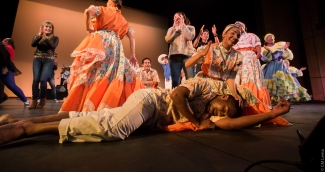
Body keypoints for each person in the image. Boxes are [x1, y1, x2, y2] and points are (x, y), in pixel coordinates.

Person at [0, 83, 291, 145]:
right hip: (151, 101)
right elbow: (176, 95)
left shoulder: (216, 117)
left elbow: (234, 124)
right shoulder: (207, 85)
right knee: (113, 128)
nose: (218, 112)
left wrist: (269, 115)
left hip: (151, 118)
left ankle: (20, 120)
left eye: (221, 113)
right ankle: (26, 131)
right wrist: (194, 120)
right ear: (225, 96)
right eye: (223, 107)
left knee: (87, 118)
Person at [185, 24, 289, 125]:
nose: (235, 37)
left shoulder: (237, 56)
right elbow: (187, 64)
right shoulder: (211, 48)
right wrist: (201, 54)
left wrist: (234, 93)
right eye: (233, 33)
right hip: (206, 82)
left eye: (238, 36)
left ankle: (266, 114)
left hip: (222, 85)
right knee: (195, 100)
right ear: (224, 34)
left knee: (245, 92)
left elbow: (231, 77)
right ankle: (195, 118)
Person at [60, 0, 143, 112]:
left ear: (111, 2)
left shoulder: (103, 9)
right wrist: (132, 55)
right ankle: (106, 102)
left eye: (108, 1)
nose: (106, 2)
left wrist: (88, 28)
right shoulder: (124, 20)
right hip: (116, 46)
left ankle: (89, 103)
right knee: (111, 73)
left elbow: (87, 11)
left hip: (101, 42)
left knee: (95, 72)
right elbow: (132, 36)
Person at [232, 21, 272, 109]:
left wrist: (258, 53)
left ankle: (255, 101)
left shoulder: (251, 35)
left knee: (251, 78)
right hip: (238, 59)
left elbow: (257, 44)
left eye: (240, 25)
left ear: (244, 27)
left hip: (250, 59)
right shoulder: (234, 38)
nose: (238, 27)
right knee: (239, 79)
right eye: (236, 26)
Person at [261, 33, 306, 103]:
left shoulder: (279, 45)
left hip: (281, 65)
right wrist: (270, 51)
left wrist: (285, 49)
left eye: (271, 38)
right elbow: (266, 58)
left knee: (283, 82)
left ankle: (283, 101)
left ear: (274, 39)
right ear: (266, 40)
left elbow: (287, 56)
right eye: (268, 38)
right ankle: (270, 101)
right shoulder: (264, 48)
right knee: (271, 82)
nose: (270, 39)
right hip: (272, 66)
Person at [30, 21, 59, 109]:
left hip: (48, 60)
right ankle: (34, 100)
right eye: (46, 27)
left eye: (50, 27)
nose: (48, 28)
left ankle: (42, 99)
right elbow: (33, 44)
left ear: (52, 29)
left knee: (43, 80)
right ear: (42, 28)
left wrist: (46, 38)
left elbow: (53, 46)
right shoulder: (37, 36)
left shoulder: (55, 38)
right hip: (37, 59)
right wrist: (39, 36)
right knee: (35, 80)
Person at [165, 12, 195, 88]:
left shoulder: (190, 28)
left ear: (183, 18)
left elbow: (190, 37)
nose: (177, 18)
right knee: (175, 81)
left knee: (190, 80)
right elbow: (167, 39)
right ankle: (176, 98)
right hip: (174, 56)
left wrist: (182, 26)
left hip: (187, 56)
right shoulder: (171, 29)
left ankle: (192, 98)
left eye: (179, 17)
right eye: (175, 17)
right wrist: (174, 28)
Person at [0, 43, 29, 107]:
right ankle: (3, 97)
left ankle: (25, 100)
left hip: (5, 68)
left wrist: (4, 67)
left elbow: (6, 56)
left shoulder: (1, 46)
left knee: (11, 86)